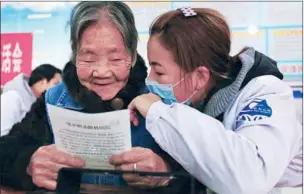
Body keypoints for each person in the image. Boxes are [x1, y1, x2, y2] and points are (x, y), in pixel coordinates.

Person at [0, 2, 195, 193]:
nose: (101, 72)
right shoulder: (54, 99)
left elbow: (203, 173)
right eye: (88, 58)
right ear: (75, 55)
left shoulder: (162, 102)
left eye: (116, 59)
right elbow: (6, 152)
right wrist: (26, 163)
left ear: (133, 57)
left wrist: (166, 172)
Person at [128, 7, 303, 194]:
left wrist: (158, 112)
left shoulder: (266, 93)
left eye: (159, 72)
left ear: (200, 77)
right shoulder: (193, 101)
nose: (151, 80)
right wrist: (167, 172)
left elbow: (249, 179)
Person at [1, 64, 62, 136]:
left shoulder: (40, 103)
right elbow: (3, 133)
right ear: (43, 81)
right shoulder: (12, 96)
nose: (59, 89)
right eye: (56, 84)